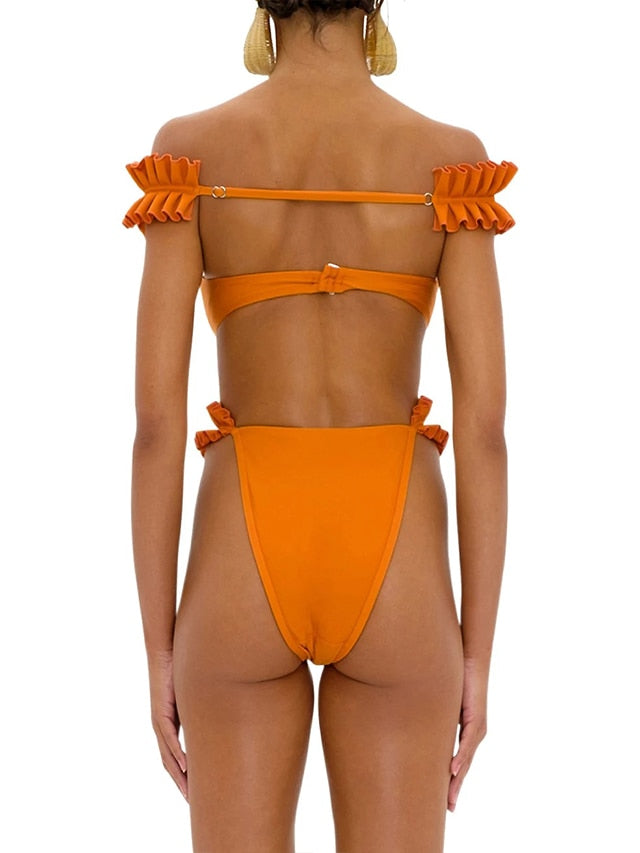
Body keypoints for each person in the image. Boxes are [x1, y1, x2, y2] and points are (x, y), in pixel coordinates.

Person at [124, 1, 516, 850]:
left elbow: (155, 423)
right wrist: (476, 658)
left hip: (242, 539)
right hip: (398, 544)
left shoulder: (191, 152)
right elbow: (484, 427)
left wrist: (158, 652)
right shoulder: (449, 161)